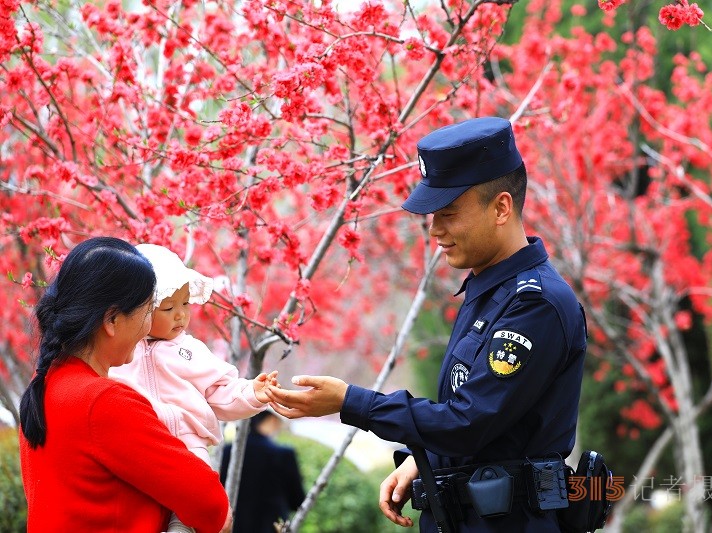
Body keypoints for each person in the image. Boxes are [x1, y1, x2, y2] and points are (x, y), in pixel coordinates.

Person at [265, 117, 588, 532]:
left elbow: (468, 421)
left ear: (501, 208)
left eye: (449, 214)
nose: (435, 230)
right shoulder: (489, 290)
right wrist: (427, 461)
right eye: (433, 215)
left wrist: (351, 402)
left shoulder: (535, 304)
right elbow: (493, 425)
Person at [18, 236, 232, 533]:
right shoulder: (103, 401)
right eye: (147, 311)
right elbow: (212, 505)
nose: (149, 327)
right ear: (112, 320)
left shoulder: (45, 383)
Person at [109, 243, 275, 533]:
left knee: (192, 499)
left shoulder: (190, 350)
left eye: (185, 304)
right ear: (138, 310)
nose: (180, 315)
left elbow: (219, 391)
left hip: (188, 443)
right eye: (168, 307)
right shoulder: (122, 352)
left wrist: (252, 393)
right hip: (143, 443)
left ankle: (180, 529)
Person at [219, 409, 305, 532]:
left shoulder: (227, 451)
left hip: (232, 527)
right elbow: (297, 501)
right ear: (272, 419)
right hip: (270, 527)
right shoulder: (283, 454)